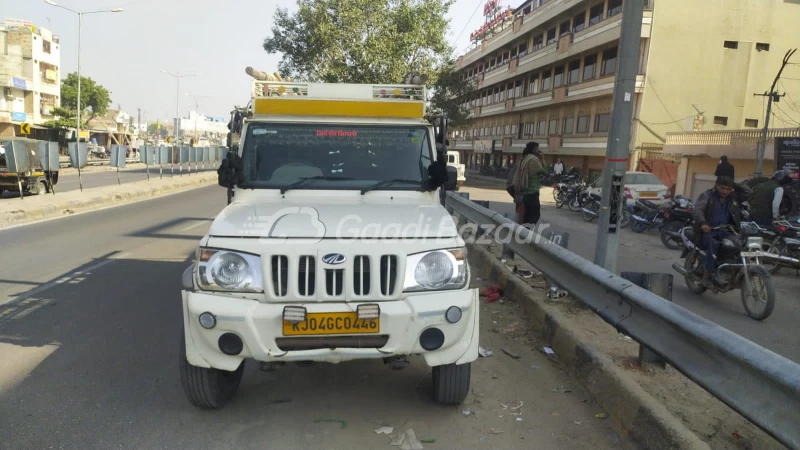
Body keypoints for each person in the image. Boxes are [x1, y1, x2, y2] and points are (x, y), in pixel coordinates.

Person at [692, 176, 742, 287]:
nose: (725, 191)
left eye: (728, 189)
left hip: (725, 231)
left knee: (739, 245)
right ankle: (706, 275)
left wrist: (734, 184)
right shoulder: (707, 196)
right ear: (716, 186)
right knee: (713, 244)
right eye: (722, 188)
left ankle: (731, 273)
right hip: (706, 232)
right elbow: (698, 210)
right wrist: (703, 223)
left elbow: (748, 192)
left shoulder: (732, 199)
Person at [512, 141, 546, 226]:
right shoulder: (534, 160)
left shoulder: (525, 158)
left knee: (527, 216)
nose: (539, 150)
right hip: (532, 192)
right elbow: (545, 172)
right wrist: (543, 159)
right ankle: (528, 234)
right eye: (537, 148)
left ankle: (524, 234)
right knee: (534, 216)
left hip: (525, 192)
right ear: (534, 149)